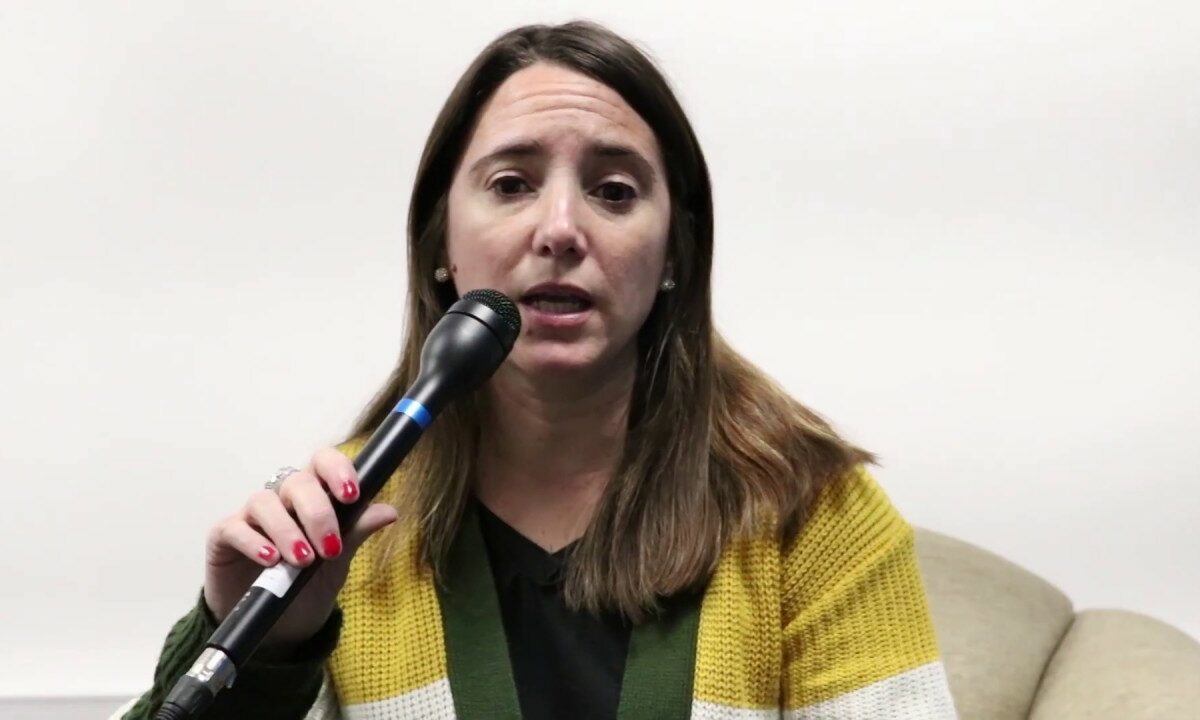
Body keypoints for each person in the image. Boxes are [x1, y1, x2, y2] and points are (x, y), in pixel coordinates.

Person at [121, 20, 958, 720]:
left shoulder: (812, 509)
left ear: (675, 253)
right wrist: (267, 643)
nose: (560, 229)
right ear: (441, 244)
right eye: (513, 183)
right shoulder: (347, 519)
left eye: (615, 192)